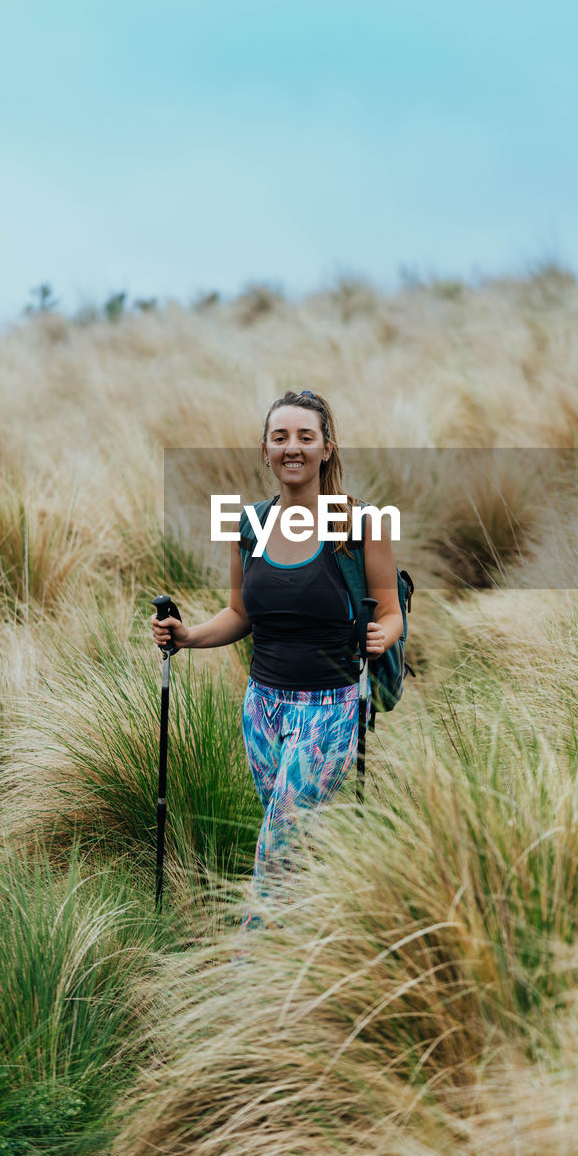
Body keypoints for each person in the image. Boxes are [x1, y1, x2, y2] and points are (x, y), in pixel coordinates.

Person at [151, 389, 403, 927]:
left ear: (327, 448)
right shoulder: (249, 525)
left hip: (332, 709)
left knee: (277, 845)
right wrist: (188, 634)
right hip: (262, 709)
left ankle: (247, 977)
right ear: (264, 449)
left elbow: (390, 610)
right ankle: (326, 941)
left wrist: (381, 636)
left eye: (305, 437)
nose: (293, 448)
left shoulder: (361, 526)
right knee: (296, 845)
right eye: (280, 437)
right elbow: (241, 612)